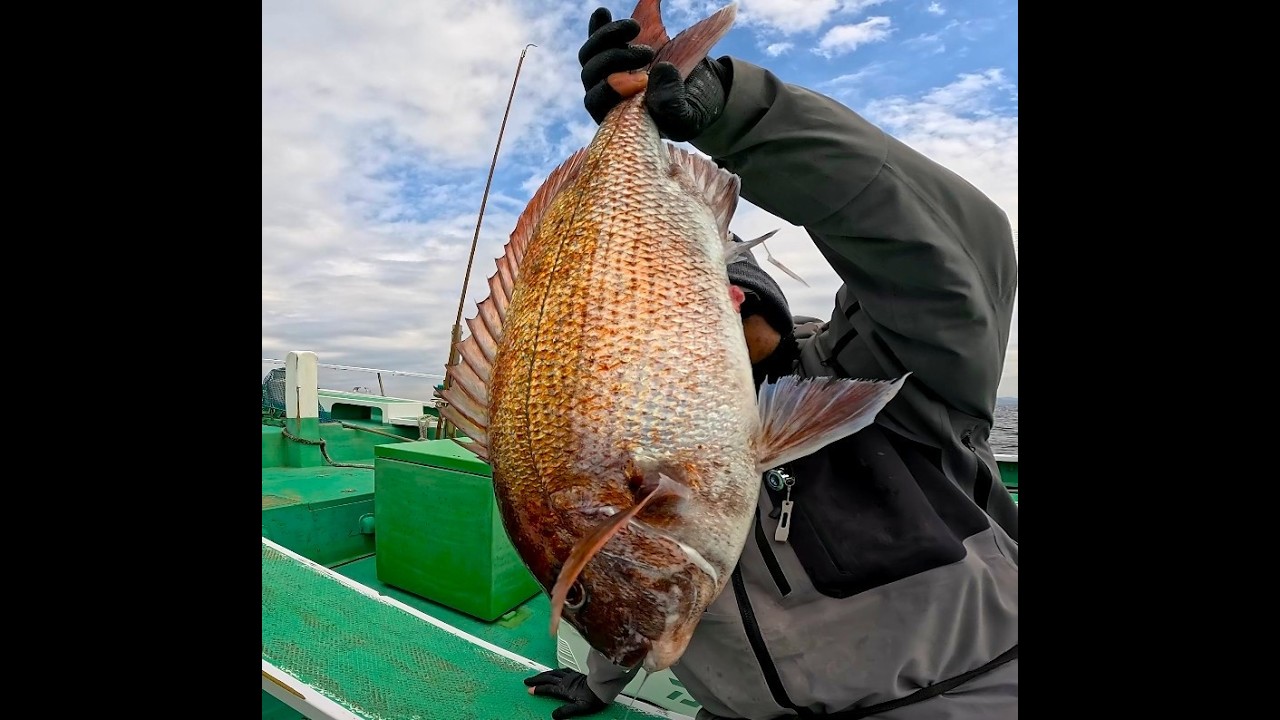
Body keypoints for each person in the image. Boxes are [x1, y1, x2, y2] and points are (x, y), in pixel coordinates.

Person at [524, 6, 1019, 719]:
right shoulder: (649, 480)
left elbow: (954, 256)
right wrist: (602, 680)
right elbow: (616, 574)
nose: (703, 311)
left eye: (720, 293)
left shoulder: (889, 375)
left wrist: (733, 112)